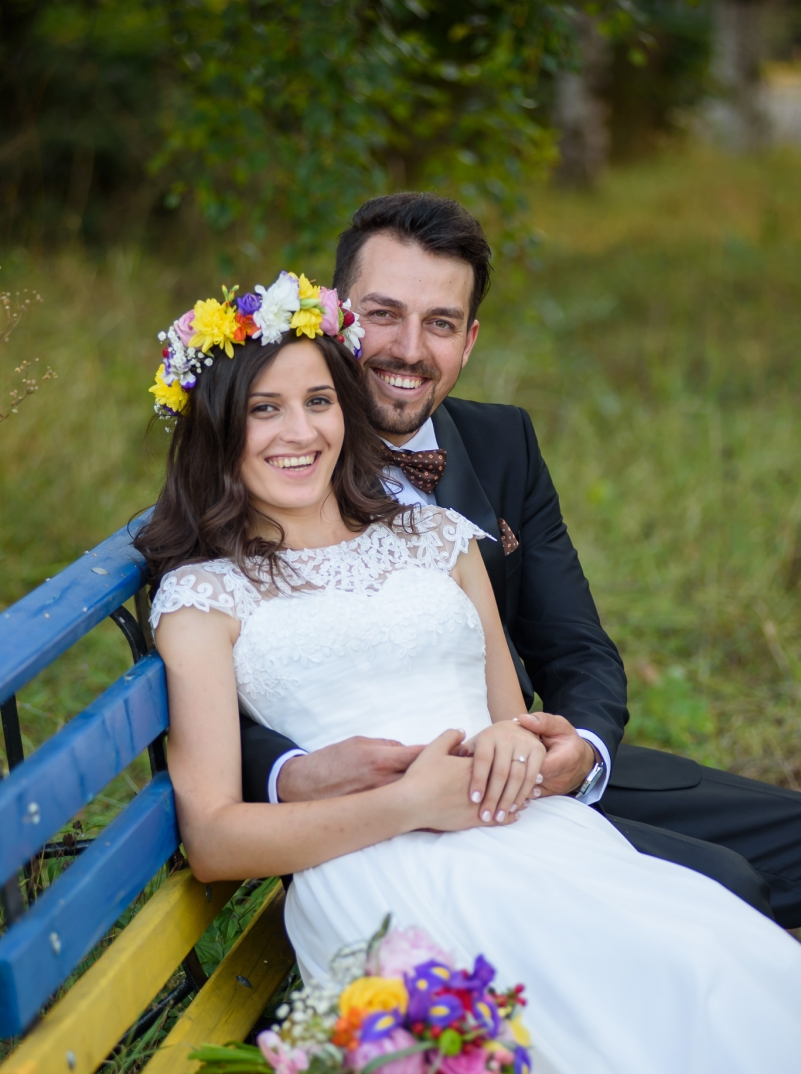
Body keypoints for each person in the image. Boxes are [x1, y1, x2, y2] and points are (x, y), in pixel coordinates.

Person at [136, 279, 801, 1074]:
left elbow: (507, 716)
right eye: (264, 410)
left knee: (738, 958)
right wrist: (406, 803)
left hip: (529, 834)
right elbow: (212, 838)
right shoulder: (206, 598)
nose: (299, 432)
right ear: (216, 427)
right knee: (681, 984)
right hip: (380, 874)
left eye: (319, 401)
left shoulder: (437, 537)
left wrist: (526, 747)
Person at [238, 194, 801, 930]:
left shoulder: (504, 443)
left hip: (526, 773)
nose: (409, 349)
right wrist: (289, 771)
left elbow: (575, 644)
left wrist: (581, 749)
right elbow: (218, 682)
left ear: (468, 342)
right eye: (383, 314)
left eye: (438, 323)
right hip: (385, 814)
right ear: (336, 316)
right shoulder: (269, 458)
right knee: (722, 889)